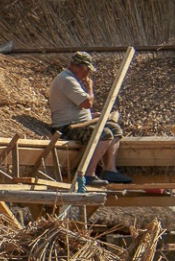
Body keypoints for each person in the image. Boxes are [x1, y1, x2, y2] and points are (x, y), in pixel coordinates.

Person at [49, 51, 131, 185]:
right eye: (88, 71)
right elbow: (87, 102)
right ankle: (88, 173)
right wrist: (90, 88)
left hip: (80, 123)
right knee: (103, 134)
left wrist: (91, 116)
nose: (87, 75)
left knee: (115, 129)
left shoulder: (71, 79)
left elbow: (75, 107)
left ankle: (110, 169)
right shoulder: (67, 80)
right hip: (67, 127)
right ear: (82, 68)